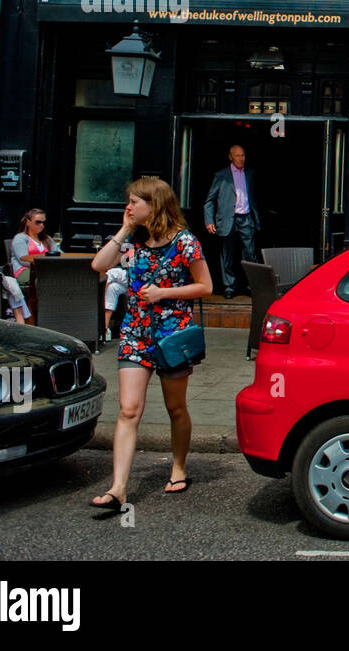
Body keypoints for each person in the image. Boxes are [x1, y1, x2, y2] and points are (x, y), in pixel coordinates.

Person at [89, 177, 212, 509]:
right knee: (129, 410)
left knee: (175, 408)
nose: (128, 207)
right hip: (135, 333)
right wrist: (124, 229)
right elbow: (98, 266)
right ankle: (118, 487)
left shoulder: (185, 243)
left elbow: (205, 286)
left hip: (172, 333)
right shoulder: (132, 242)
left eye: (134, 202)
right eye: (127, 201)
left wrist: (163, 293)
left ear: (154, 205)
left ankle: (179, 466)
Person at [203, 144, 260, 299]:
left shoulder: (250, 174)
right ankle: (229, 286)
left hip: (246, 218)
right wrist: (209, 221)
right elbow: (209, 201)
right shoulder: (221, 175)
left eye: (243, 155)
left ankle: (251, 286)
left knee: (250, 254)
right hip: (227, 219)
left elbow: (254, 197)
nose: (241, 159)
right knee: (227, 255)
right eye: (237, 156)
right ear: (230, 157)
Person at [10, 208, 54, 286]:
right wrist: (46, 265)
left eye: (43, 222)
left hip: (44, 270)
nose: (42, 225)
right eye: (38, 222)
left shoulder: (47, 238)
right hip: (24, 271)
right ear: (28, 222)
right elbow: (23, 261)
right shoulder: (20, 238)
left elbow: (59, 254)